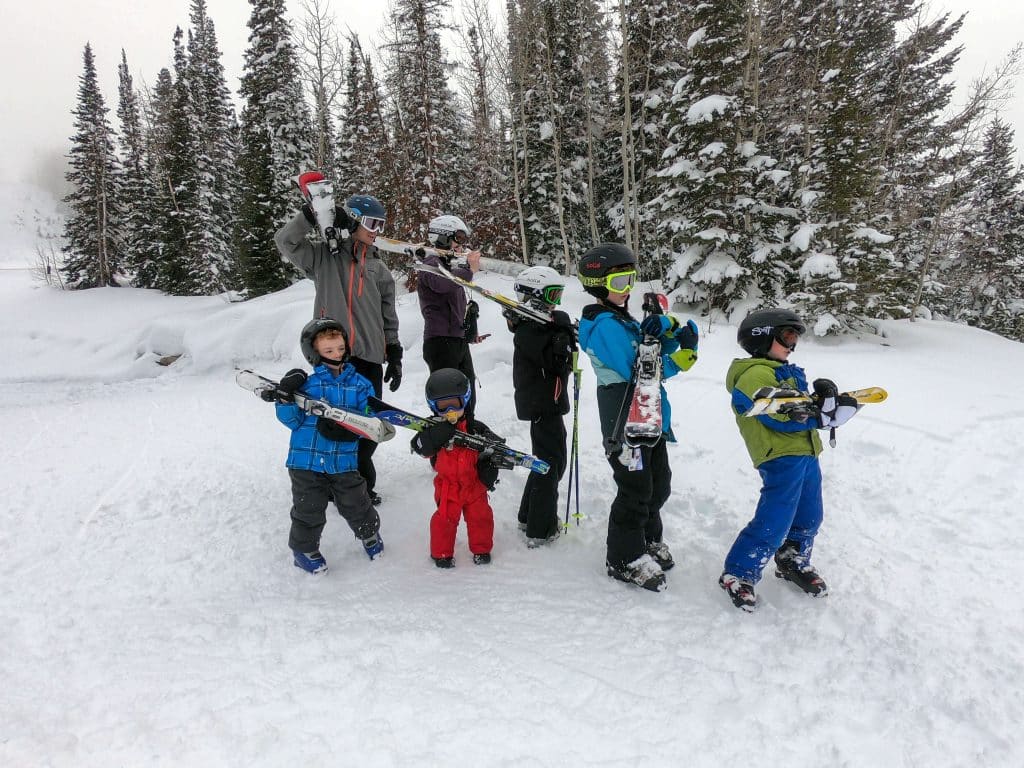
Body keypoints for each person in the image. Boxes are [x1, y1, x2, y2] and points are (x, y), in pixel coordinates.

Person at [576, 243, 699, 592]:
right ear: (598, 284)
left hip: (649, 414)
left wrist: (671, 332)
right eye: (618, 282)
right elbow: (641, 371)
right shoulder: (603, 326)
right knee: (635, 489)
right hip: (624, 419)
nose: (626, 288)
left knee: (659, 482)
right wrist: (685, 357)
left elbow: (651, 349)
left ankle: (647, 538)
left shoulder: (622, 320)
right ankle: (624, 558)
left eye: (630, 279)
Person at [719, 308, 860, 611]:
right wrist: (815, 415)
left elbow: (800, 407)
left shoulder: (782, 372)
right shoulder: (754, 373)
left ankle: (792, 558)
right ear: (761, 338)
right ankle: (739, 572)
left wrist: (827, 407)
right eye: (787, 336)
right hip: (779, 455)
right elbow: (778, 414)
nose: (792, 344)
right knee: (775, 518)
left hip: (806, 453)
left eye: (795, 337)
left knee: (810, 514)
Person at [275, 188, 403, 506]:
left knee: (367, 427)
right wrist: (309, 216)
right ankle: (338, 484)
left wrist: (394, 350)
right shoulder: (324, 258)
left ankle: (358, 483)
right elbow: (285, 242)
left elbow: (388, 313)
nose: (378, 232)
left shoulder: (378, 268)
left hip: (370, 358)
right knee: (334, 425)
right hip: (334, 359)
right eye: (373, 223)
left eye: (382, 225)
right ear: (353, 220)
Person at [261, 318, 384, 574]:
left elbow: (369, 421)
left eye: (340, 348)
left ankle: (369, 534)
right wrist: (284, 399)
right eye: (328, 351)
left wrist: (353, 429)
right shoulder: (306, 385)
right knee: (309, 509)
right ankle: (304, 549)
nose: (336, 355)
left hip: (344, 460)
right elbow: (292, 420)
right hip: (306, 461)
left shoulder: (361, 385)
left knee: (357, 502)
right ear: (314, 353)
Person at [502, 266, 575, 547]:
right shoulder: (530, 329)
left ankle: (528, 515)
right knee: (550, 463)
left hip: (547, 401)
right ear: (534, 295)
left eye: (558, 294)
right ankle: (540, 528)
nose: (555, 301)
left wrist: (563, 329)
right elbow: (556, 361)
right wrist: (563, 336)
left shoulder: (537, 325)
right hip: (542, 403)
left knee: (548, 459)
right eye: (551, 295)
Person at [409, 368, 503, 568]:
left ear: (465, 400)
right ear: (433, 406)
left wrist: (489, 468)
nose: (450, 410)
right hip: (448, 487)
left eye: (455, 404)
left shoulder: (476, 428)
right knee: (444, 521)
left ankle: (481, 549)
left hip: (475, 485)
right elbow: (419, 447)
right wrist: (434, 436)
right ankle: (441, 553)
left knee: (481, 518)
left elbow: (497, 449)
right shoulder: (432, 428)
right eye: (443, 406)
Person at [415, 214, 483, 424]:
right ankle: (446, 446)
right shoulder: (429, 264)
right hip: (440, 342)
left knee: (466, 394)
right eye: (458, 239)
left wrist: (469, 331)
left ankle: (469, 436)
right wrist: (470, 270)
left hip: (456, 340)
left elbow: (455, 304)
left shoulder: (449, 266)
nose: (461, 245)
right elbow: (443, 284)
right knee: (448, 400)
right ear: (443, 237)